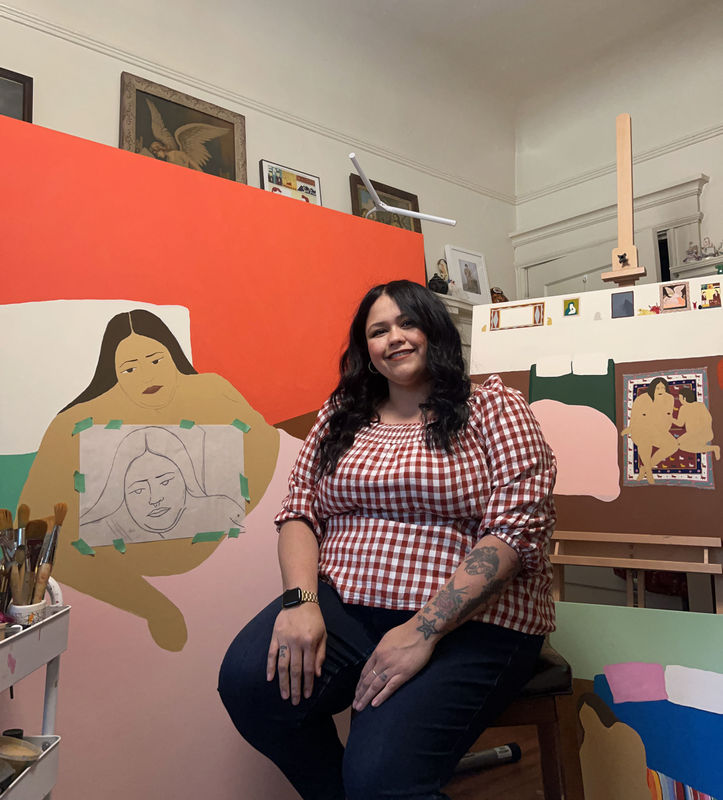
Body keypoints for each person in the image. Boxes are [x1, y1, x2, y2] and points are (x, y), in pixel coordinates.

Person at [218, 280, 557, 800]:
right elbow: (298, 512)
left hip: (472, 622)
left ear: (434, 331)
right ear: (366, 350)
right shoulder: (340, 417)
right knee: (248, 686)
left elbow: (514, 530)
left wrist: (422, 631)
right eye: (379, 331)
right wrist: (302, 601)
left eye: (407, 323)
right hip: (348, 604)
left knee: (380, 779)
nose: (394, 338)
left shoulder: (493, 408)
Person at [20, 308, 279, 650]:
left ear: (173, 356)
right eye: (129, 368)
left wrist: (229, 508)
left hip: (226, 573)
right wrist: (153, 607)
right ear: (113, 373)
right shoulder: (74, 426)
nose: (147, 375)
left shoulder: (213, 391)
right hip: (130, 585)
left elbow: (268, 445)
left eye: (157, 360)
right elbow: (43, 532)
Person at [79, 425, 245, 546]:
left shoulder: (224, 512)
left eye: (165, 482)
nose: (155, 498)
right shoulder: (100, 531)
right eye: (138, 490)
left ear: (186, 477)